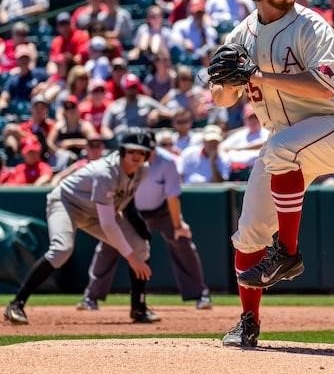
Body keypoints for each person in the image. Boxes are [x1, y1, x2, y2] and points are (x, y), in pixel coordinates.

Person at [210, 0, 334, 347]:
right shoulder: (241, 34)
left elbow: (324, 85)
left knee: (279, 150)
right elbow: (223, 99)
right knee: (247, 235)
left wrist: (259, 74)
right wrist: (225, 85)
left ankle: (289, 254)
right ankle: (247, 322)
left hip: (333, 127)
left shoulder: (312, 27)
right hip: (284, 141)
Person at [3, 130, 159, 325]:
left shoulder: (142, 170)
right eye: (132, 151)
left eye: (142, 152)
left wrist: (138, 230)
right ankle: (16, 304)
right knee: (61, 250)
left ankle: (139, 308)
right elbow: (108, 224)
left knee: (140, 247)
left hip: (94, 211)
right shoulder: (105, 172)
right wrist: (130, 258)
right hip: (66, 203)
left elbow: (126, 202)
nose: (137, 156)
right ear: (122, 151)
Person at [77, 137, 212, 311]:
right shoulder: (121, 160)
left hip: (160, 210)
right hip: (129, 211)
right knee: (108, 245)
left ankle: (201, 295)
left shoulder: (167, 161)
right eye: (137, 149)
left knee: (182, 241)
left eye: (146, 149)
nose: (141, 154)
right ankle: (91, 297)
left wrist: (178, 225)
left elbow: (172, 197)